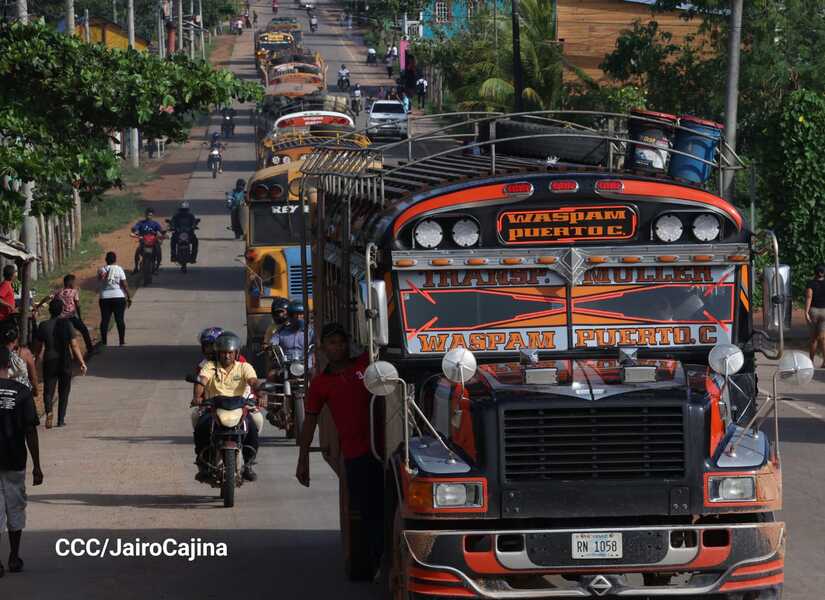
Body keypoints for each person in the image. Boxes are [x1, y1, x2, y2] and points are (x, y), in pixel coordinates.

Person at [296, 323, 382, 572]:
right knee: (366, 513)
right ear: (323, 348)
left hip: (382, 450)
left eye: (341, 341)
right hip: (356, 455)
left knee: (382, 506)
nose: (338, 347)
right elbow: (310, 421)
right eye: (332, 343)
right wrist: (303, 459)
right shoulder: (321, 385)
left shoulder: (365, 365)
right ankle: (376, 562)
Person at [192, 332, 262, 482]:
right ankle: (202, 462)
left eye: (230, 353)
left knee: (255, 422)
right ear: (218, 353)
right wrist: (197, 397)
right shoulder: (210, 366)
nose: (227, 356)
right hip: (214, 408)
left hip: (240, 406)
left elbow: (253, 381)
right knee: (199, 423)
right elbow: (201, 381)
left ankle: (249, 464)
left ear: (236, 353)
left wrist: (261, 394)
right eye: (223, 353)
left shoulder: (244, 367)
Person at [0, 346, 43, 577]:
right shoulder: (22, 391)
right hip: (15, 459)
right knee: (15, 507)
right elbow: (30, 431)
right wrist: (37, 465)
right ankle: (14, 557)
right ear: (9, 365)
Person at [33, 298, 87, 428]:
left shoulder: (43, 325)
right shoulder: (67, 324)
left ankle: (49, 412)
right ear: (62, 310)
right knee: (64, 390)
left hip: (50, 360)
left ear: (50, 310)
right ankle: (61, 419)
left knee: (48, 391)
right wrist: (81, 362)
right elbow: (74, 346)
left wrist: (35, 361)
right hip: (65, 360)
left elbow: (38, 348)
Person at [35, 274, 94, 354]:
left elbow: (47, 297)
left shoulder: (58, 292)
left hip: (60, 318)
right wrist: (79, 317)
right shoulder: (74, 292)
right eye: (74, 282)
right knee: (84, 330)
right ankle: (90, 349)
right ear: (70, 283)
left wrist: (38, 306)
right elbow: (77, 305)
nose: (75, 284)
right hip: (71, 317)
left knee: (64, 337)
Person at [97, 252, 132, 347]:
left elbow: (99, 280)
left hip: (105, 298)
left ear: (106, 260)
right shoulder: (119, 269)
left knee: (105, 320)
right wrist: (129, 297)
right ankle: (121, 341)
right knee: (120, 319)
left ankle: (104, 342)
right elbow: (124, 285)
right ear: (115, 260)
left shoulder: (101, 269)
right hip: (119, 297)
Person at [131, 208, 165, 273]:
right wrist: (134, 232)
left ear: (153, 215)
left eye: (150, 215)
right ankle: (136, 267)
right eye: (147, 215)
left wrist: (163, 234)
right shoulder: (140, 223)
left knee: (158, 251)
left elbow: (161, 231)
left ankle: (157, 267)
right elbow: (135, 229)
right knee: (137, 252)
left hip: (153, 242)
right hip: (143, 241)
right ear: (145, 215)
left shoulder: (155, 223)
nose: (149, 216)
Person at [805, 264, 825, 366]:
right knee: (822, 338)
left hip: (813, 312)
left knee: (813, 339)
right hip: (824, 312)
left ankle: (811, 362)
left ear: (815, 272)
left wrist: (806, 312)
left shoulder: (811, 283)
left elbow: (809, 297)